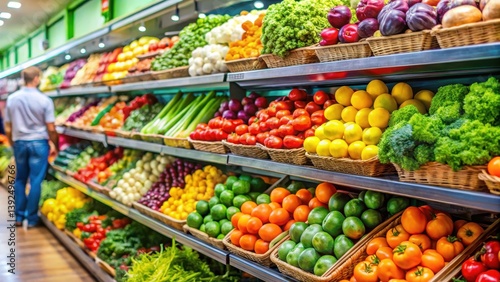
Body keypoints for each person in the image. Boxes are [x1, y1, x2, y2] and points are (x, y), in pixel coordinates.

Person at [4, 66, 58, 228]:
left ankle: (19, 217)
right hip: (39, 143)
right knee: (36, 181)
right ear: (36, 79)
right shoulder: (44, 100)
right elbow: (51, 127)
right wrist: (54, 142)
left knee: (19, 180)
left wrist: (13, 142)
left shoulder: (12, 99)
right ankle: (32, 218)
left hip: (20, 142)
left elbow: (7, 127)